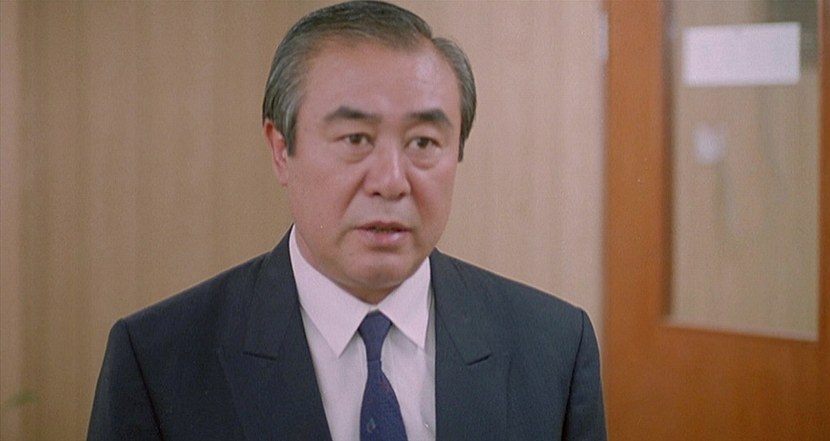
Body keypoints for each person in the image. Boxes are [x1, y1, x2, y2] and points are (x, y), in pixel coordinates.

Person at [86, 1, 606, 440]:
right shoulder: (158, 361)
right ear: (281, 149)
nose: (391, 181)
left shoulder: (555, 348)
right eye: (356, 139)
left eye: (423, 142)